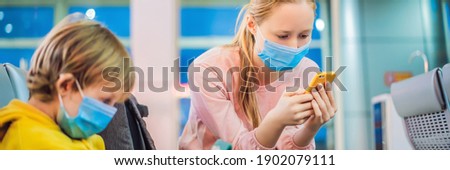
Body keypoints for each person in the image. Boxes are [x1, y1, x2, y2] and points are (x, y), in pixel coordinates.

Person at [179, 0, 337, 150]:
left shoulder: (307, 70)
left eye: (303, 36)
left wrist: (311, 127)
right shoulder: (208, 70)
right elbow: (238, 153)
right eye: (283, 36)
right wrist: (276, 120)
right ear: (252, 25)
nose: (294, 47)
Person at [0, 13, 134, 149]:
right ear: (66, 85)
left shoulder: (69, 135)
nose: (109, 113)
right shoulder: (34, 142)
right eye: (105, 101)